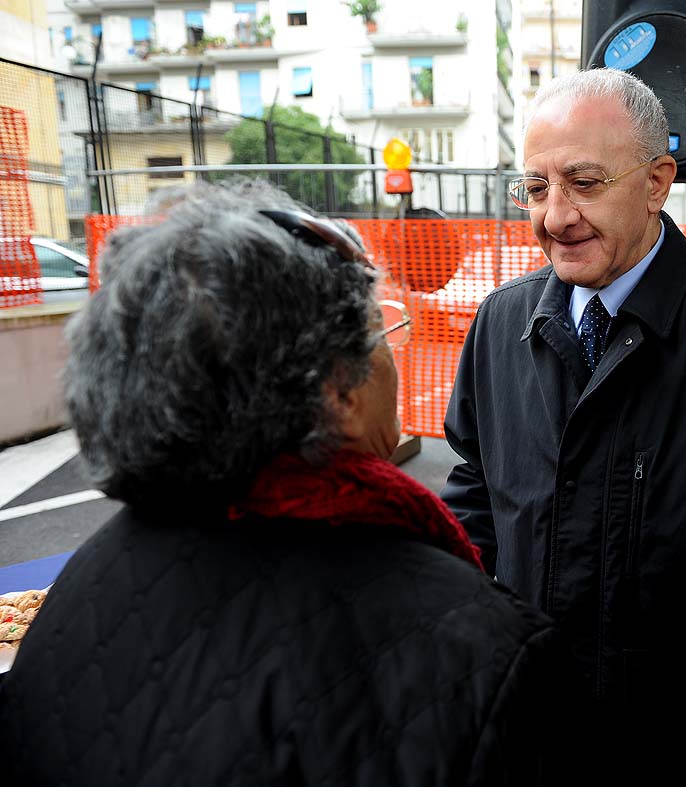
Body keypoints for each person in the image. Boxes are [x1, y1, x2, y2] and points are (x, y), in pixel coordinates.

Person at [0, 182, 566, 786]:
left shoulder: (80, 589)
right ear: (336, 393)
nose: (393, 360)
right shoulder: (484, 650)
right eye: (380, 338)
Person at [441, 68, 686, 786]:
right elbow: (474, 492)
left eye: (584, 183)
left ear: (656, 182)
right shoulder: (501, 319)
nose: (554, 215)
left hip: (677, 735)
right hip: (528, 719)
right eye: (535, 188)